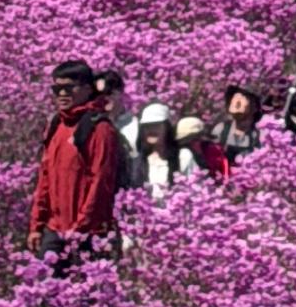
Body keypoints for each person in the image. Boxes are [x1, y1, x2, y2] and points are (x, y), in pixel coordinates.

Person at [28, 61, 122, 264]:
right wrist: (37, 225)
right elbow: (45, 178)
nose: (61, 94)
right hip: (55, 230)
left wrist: (80, 229)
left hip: (88, 233)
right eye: (56, 89)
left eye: (68, 88)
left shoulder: (100, 128)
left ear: (87, 89)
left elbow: (100, 183)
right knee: (45, 290)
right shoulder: (56, 125)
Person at [129, 103, 183, 200]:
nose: (151, 130)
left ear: (167, 128)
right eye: (147, 126)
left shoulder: (182, 157)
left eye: (156, 126)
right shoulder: (137, 163)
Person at [97, 71, 140, 166]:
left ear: (121, 94)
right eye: (100, 94)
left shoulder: (135, 125)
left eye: (110, 93)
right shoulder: (90, 126)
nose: (105, 98)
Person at [211, 86, 263, 162]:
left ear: (255, 107)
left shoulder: (259, 135)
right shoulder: (221, 130)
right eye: (234, 97)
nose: (237, 101)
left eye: (243, 97)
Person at [174, 116, 230, 183]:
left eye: (195, 139)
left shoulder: (214, 151)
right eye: (186, 142)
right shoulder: (183, 155)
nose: (191, 144)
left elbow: (225, 172)